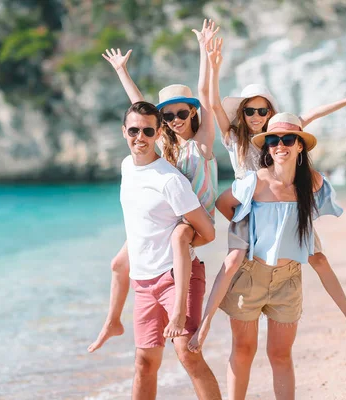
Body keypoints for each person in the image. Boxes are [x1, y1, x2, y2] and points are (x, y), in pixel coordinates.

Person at [188, 37, 346, 355]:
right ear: (242, 115)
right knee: (232, 261)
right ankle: (203, 327)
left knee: (319, 258)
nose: (256, 115)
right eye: (249, 111)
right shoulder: (236, 139)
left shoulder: (279, 135)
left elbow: (311, 114)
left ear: (271, 113)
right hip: (250, 205)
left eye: (262, 110)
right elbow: (213, 104)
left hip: (284, 204)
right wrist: (212, 64)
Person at [88, 19, 219, 352]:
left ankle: (177, 313)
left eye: (182, 113)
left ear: (193, 114)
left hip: (194, 221)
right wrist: (121, 71)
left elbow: (205, 96)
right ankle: (113, 321)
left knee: (179, 237)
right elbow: (139, 110)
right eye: (169, 115)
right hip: (170, 220)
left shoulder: (201, 145)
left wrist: (205, 53)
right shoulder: (166, 144)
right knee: (119, 264)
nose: (176, 119)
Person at [207, 112, 346, 399]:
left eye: (287, 139)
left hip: (288, 281)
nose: (279, 145)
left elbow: (311, 242)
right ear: (267, 147)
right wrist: (244, 230)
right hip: (249, 277)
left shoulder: (313, 183)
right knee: (244, 351)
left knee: (281, 355)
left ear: (300, 146)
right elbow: (224, 204)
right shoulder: (255, 180)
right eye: (272, 140)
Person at [115, 101, 221, 399]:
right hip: (144, 281)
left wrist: (179, 241)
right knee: (144, 361)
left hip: (177, 278)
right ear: (124, 132)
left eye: (148, 130)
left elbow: (209, 232)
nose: (140, 137)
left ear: (158, 132)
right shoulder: (126, 167)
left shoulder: (170, 180)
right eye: (134, 130)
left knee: (188, 354)